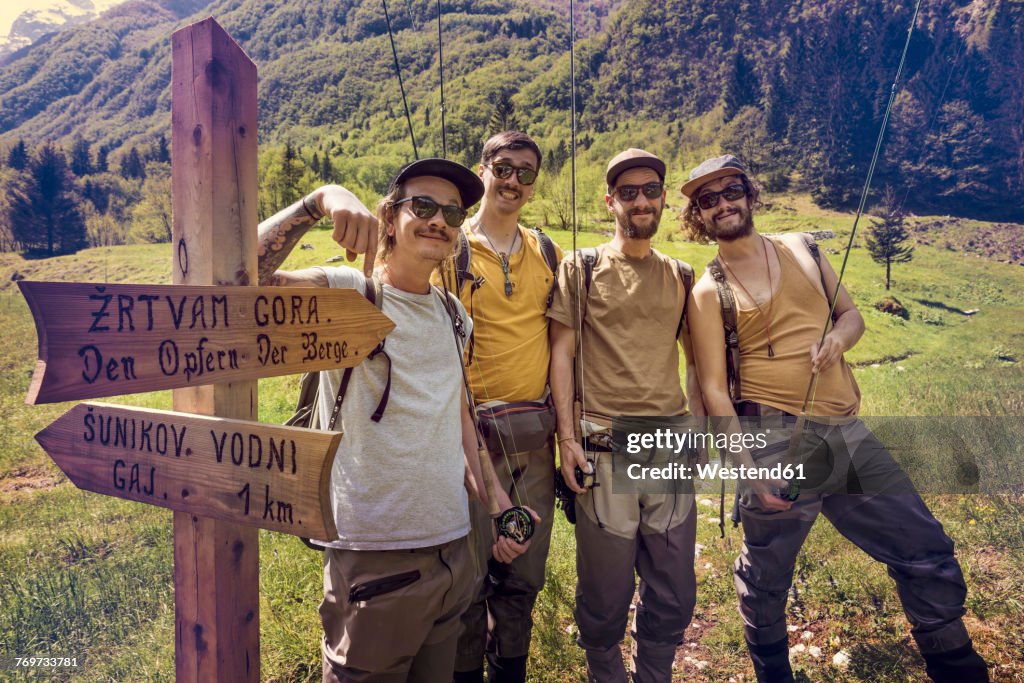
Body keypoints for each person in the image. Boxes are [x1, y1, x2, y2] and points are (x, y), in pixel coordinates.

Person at [682, 154, 989, 683]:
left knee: (923, 547)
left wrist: (838, 340)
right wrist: (749, 469)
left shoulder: (803, 249)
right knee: (767, 577)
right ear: (698, 217)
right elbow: (712, 388)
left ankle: (956, 665)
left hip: (845, 435)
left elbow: (852, 315)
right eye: (707, 200)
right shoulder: (708, 292)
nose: (722, 204)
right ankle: (773, 672)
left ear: (750, 194)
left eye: (730, 190)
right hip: (773, 439)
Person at [256, 159, 529, 682]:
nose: (439, 220)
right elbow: (237, 276)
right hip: (375, 558)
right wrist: (321, 198)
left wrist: (498, 505)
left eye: (452, 211)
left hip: (452, 553)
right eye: (422, 206)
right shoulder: (347, 294)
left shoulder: (454, 315)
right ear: (389, 217)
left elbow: (459, 419)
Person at [547, 148, 704, 682]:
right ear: (610, 201)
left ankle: (654, 673)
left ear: (662, 199)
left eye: (651, 191)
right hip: (604, 452)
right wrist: (566, 441)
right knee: (605, 589)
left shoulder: (681, 275)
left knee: (674, 587)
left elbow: (699, 363)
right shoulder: (582, 266)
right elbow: (561, 354)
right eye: (629, 192)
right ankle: (606, 673)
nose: (641, 200)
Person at [440, 131, 561, 683]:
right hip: (466, 440)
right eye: (504, 167)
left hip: (534, 438)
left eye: (526, 172)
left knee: (523, 576)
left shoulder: (547, 252)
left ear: (534, 186)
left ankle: (509, 669)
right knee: (466, 584)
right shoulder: (451, 247)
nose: (513, 180)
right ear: (482, 170)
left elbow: (563, 345)